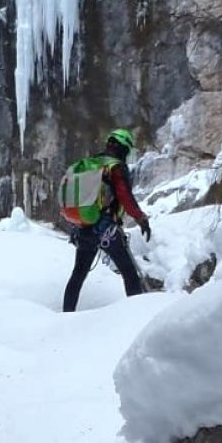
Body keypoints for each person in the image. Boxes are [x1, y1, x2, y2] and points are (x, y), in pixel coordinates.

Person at [62, 127, 152, 313]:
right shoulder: (115, 167)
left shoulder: (91, 163)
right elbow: (125, 196)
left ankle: (66, 314)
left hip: (84, 228)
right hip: (106, 229)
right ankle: (137, 316)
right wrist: (141, 218)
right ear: (123, 148)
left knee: (78, 274)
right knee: (129, 273)